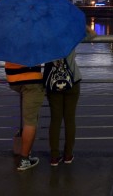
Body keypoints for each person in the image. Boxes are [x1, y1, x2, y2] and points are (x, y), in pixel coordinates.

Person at [44, 27, 95, 166]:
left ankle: (54, 156)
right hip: (72, 81)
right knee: (69, 119)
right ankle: (68, 155)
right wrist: (83, 25)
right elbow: (92, 35)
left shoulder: (44, 39)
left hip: (53, 84)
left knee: (55, 120)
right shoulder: (70, 36)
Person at [5, 61, 45, 171]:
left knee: (28, 118)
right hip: (31, 81)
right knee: (30, 121)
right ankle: (24, 159)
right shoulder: (34, 42)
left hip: (13, 80)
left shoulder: (12, 42)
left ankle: (26, 149)